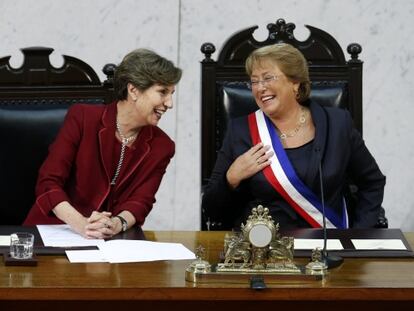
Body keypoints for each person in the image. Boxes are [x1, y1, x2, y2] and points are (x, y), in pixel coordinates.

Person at [202, 43, 385, 229]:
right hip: (264, 250)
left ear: (295, 83)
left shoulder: (337, 124)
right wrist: (232, 177)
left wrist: (358, 236)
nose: (260, 88)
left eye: (268, 78)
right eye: (254, 81)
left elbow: (372, 182)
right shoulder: (240, 131)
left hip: (328, 247)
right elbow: (211, 210)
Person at [24, 48, 182, 238]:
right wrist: (81, 224)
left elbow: (142, 201)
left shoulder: (162, 146)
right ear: (133, 90)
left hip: (108, 242)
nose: (170, 103)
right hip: (55, 231)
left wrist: (116, 224)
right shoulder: (82, 118)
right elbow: (48, 183)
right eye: (162, 92)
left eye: (171, 93)